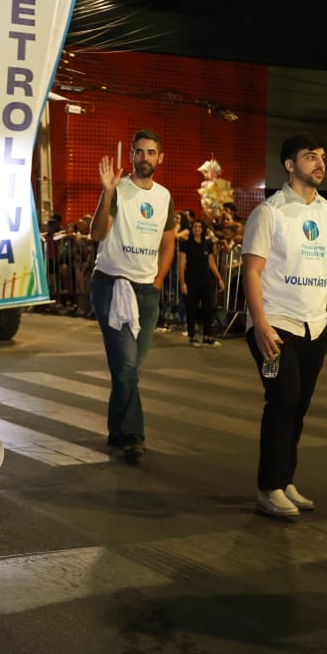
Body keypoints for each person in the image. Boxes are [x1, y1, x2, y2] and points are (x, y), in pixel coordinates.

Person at [242, 134, 327, 518]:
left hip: (315, 327)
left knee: (299, 405)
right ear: (289, 165)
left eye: (323, 157)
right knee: (283, 399)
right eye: (310, 157)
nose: (320, 163)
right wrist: (260, 324)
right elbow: (252, 271)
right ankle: (268, 487)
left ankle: (286, 480)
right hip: (276, 324)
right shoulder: (269, 213)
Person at [89, 129, 178, 463]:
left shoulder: (164, 196)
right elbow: (97, 233)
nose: (144, 157)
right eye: (139, 152)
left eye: (151, 152)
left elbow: (168, 243)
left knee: (129, 369)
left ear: (160, 158)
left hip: (146, 291)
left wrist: (157, 281)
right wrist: (107, 192)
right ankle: (133, 436)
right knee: (126, 366)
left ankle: (117, 428)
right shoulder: (118, 190)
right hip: (113, 285)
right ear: (131, 156)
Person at [179, 216, 223, 346]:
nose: (197, 229)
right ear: (191, 229)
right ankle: (192, 336)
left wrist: (219, 278)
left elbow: (211, 263)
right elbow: (181, 264)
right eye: (195, 227)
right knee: (191, 308)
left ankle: (207, 336)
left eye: (199, 227)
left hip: (206, 279)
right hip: (191, 279)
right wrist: (182, 283)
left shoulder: (207, 244)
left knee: (209, 307)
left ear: (203, 229)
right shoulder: (185, 244)